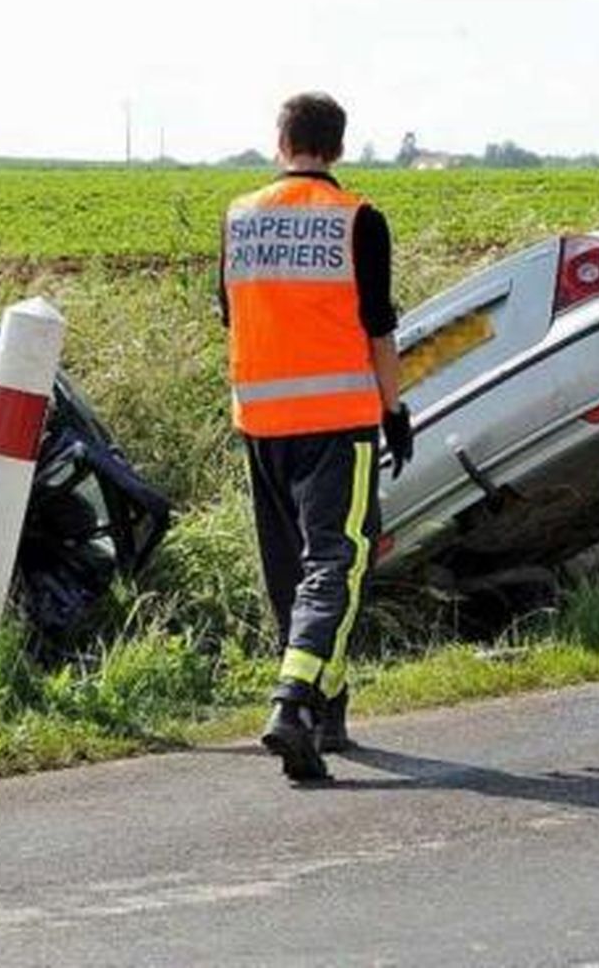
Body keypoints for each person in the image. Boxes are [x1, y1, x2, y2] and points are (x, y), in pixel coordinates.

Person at [219, 91, 414, 782]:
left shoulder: (239, 219)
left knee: (290, 571)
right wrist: (393, 408)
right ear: (336, 146)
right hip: (338, 422)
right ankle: (293, 701)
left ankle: (326, 711)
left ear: (281, 141)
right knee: (339, 561)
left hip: (261, 421)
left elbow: (231, 314)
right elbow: (379, 330)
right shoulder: (358, 219)